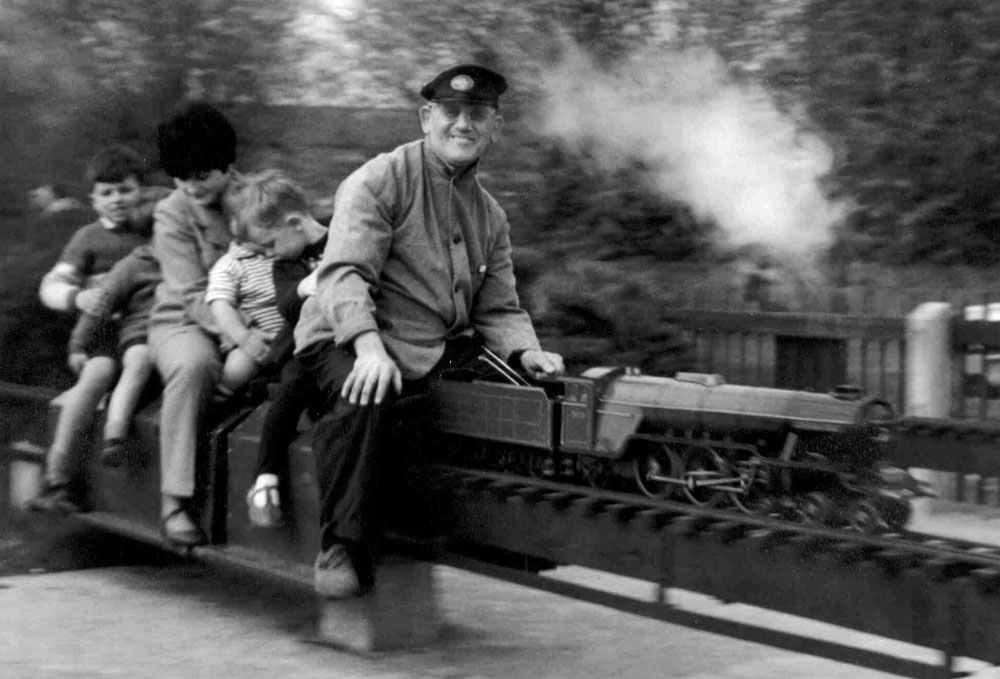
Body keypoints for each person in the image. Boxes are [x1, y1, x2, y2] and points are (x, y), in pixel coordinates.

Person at [294, 64, 564, 598]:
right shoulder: (379, 180)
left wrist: (527, 352)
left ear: (495, 127)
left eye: (477, 114)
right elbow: (344, 275)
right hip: (346, 334)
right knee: (368, 391)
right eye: (451, 112)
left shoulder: (490, 216)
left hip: (431, 346)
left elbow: (500, 308)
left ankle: (498, 540)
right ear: (426, 118)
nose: (463, 124)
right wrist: (368, 348)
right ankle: (341, 546)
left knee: (523, 398)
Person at [28, 145, 154, 513]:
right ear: (94, 200)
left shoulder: (156, 232)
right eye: (107, 193)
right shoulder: (88, 238)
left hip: (150, 331)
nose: (117, 200)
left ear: (142, 191)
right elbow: (50, 286)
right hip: (105, 333)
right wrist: (75, 298)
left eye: (126, 190)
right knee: (96, 374)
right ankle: (59, 477)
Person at [148, 101, 237, 547]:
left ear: (227, 165)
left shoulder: (259, 197)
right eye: (181, 179)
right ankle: (174, 501)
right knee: (194, 367)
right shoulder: (172, 213)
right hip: (187, 322)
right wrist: (237, 334)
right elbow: (190, 292)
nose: (190, 187)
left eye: (201, 176)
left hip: (254, 319)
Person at [244, 197, 328, 528]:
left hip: (349, 338)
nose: (268, 253)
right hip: (303, 347)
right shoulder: (286, 265)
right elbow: (287, 305)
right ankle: (265, 477)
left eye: (270, 243)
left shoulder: (343, 231)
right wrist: (308, 285)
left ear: (295, 223)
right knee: (293, 382)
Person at [205, 170, 324, 399]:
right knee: (238, 367)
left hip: (291, 335)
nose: (268, 250)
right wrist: (244, 337)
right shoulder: (231, 265)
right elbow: (219, 304)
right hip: (257, 339)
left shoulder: (285, 251)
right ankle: (224, 399)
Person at [64, 244, 160, 468]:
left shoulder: (193, 261)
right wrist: (78, 345)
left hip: (174, 339)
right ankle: (114, 435)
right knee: (134, 361)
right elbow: (101, 303)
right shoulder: (136, 265)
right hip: (138, 336)